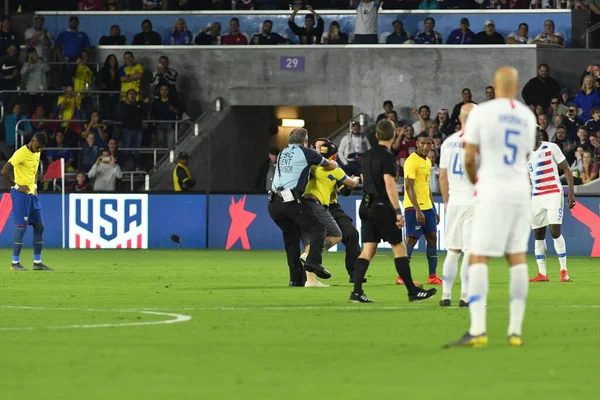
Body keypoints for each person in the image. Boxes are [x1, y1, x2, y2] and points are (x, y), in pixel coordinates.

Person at [445, 66, 537, 348]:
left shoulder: (481, 113)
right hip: (521, 189)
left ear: (494, 87)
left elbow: (470, 158)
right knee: (518, 257)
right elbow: (526, 151)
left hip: (492, 189)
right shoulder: (527, 115)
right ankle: (515, 331)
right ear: (517, 86)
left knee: (478, 257)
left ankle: (478, 330)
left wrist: (476, 182)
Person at [349, 119, 437, 303]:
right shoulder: (388, 157)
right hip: (382, 207)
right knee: (399, 247)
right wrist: (397, 211)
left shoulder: (365, 156)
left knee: (368, 251)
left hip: (365, 206)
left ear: (376, 135)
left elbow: (364, 178)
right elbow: (389, 184)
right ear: (392, 135)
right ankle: (412, 291)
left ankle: (356, 292)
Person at [268, 128, 337, 286]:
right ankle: (313, 262)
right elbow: (328, 165)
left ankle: (295, 279)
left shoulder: (283, 152)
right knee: (318, 229)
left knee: (291, 239)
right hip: (291, 201)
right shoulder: (307, 153)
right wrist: (333, 163)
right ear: (305, 141)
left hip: (273, 203)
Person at [300, 138, 359, 287]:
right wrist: (355, 179)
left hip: (331, 207)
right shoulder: (311, 166)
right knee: (315, 238)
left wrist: (348, 184)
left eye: (322, 147)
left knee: (351, 234)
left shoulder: (327, 167)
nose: (319, 149)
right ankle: (308, 277)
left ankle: (354, 274)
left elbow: (344, 190)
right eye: (317, 147)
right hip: (316, 205)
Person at [438, 103, 475, 308]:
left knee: (453, 250)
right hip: (474, 202)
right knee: (470, 251)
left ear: (460, 119)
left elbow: (443, 177)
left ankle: (445, 296)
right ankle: (466, 296)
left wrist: (446, 202)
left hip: (454, 202)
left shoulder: (448, 143)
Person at [528, 129, 576, 283]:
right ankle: (542, 273)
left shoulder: (551, 147)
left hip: (554, 192)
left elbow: (567, 169)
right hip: (536, 196)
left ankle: (564, 271)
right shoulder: (525, 154)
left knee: (555, 231)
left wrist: (571, 193)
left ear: (538, 135)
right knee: (538, 234)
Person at [1, 132, 53, 271]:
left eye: (40, 147)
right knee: (21, 227)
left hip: (32, 194)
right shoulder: (20, 153)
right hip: (20, 194)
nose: (38, 149)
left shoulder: (37, 151)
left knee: (39, 226)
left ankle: (37, 263)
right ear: (32, 141)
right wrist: (17, 186)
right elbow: (4, 171)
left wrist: (35, 185)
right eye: (37, 146)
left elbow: (35, 171)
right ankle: (15, 263)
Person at [399, 132, 442, 286]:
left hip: (428, 207)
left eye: (428, 143)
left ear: (432, 145)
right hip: (413, 207)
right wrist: (417, 210)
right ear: (416, 144)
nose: (425, 146)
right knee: (411, 239)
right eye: (422, 143)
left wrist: (434, 208)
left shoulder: (428, 162)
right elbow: (409, 188)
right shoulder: (411, 161)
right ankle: (402, 276)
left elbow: (426, 187)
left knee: (432, 238)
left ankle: (432, 276)